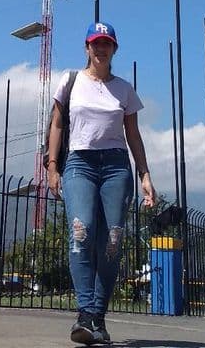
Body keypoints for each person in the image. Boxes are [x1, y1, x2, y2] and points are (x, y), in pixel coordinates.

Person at [47, 21, 156, 344]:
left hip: (116, 167)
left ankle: (97, 318)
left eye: (106, 43)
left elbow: (133, 135)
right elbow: (56, 125)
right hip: (80, 163)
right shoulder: (70, 81)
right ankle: (84, 314)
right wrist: (53, 168)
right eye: (95, 43)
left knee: (111, 241)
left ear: (114, 49)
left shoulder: (123, 89)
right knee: (81, 232)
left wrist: (145, 174)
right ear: (86, 47)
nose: (101, 48)